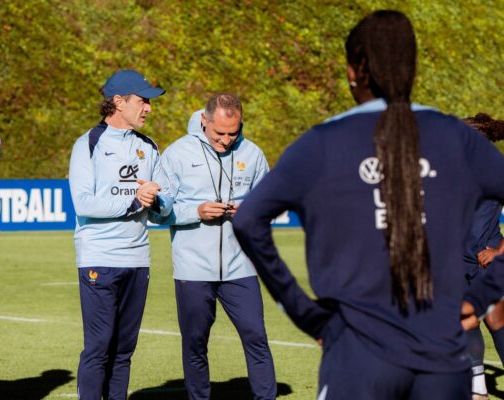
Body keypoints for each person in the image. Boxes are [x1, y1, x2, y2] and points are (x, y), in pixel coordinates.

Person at [232, 10, 504, 399]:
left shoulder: (323, 142)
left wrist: (307, 315)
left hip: (357, 356)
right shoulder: (455, 138)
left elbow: (247, 220)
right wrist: (481, 295)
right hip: (442, 357)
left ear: (354, 70)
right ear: (411, 67)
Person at [154, 94, 276, 400]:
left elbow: (270, 206)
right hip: (193, 270)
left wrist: (249, 211)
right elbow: (157, 213)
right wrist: (195, 212)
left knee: (256, 337)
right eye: (219, 133)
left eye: (232, 133)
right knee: (195, 342)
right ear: (204, 121)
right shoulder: (177, 154)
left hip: (242, 266)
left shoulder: (253, 153)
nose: (225, 140)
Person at [68, 69, 169, 400]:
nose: (148, 108)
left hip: (138, 259)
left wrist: (159, 202)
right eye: (142, 101)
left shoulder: (148, 146)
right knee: (99, 347)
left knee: (124, 349)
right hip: (100, 258)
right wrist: (133, 201)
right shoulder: (88, 144)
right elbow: (83, 202)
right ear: (118, 102)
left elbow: (160, 206)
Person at [461, 113, 504, 400]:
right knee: (465, 320)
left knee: (496, 321)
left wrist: (499, 252)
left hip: (486, 260)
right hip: (456, 260)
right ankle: (478, 387)